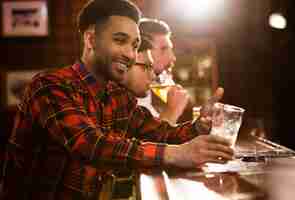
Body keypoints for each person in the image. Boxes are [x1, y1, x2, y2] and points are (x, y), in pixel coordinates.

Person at [2, 0, 233, 199]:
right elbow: (91, 145)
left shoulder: (116, 95)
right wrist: (178, 154)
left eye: (134, 45)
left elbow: (161, 132)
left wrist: (200, 126)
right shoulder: (50, 86)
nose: (131, 55)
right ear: (91, 39)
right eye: (120, 41)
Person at [137, 18, 189, 125]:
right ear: (141, 49)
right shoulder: (119, 97)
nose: (172, 58)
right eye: (164, 49)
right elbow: (146, 141)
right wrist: (172, 111)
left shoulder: (154, 86)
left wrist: (198, 125)